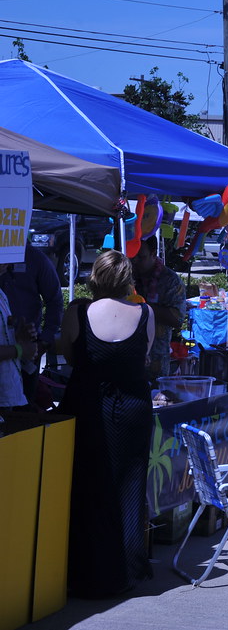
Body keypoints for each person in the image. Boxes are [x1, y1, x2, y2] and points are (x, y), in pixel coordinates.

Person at [58, 250, 156, 597]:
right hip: (133, 410)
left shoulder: (77, 312)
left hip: (88, 407)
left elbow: (69, 356)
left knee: (89, 487)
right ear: (127, 280)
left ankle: (89, 572)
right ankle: (127, 568)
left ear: (95, 277)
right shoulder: (145, 313)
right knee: (129, 488)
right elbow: (142, 357)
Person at [0, 244, 62, 403]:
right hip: (13, 350)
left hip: (28, 352)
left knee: (24, 407)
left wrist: (44, 341)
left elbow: (55, 300)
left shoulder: (35, 258)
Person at [131, 235, 185, 380]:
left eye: (140, 257)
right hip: (128, 355)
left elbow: (177, 319)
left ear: (153, 254)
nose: (135, 261)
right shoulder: (127, 276)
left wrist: (142, 307)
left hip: (156, 359)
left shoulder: (170, 280)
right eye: (133, 257)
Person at [0, 284, 38, 411]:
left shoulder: (1, 294)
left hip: (7, 394)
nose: (8, 265)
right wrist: (20, 350)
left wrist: (18, 337)